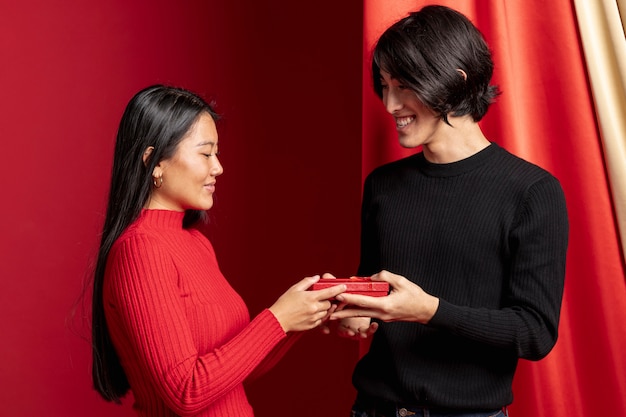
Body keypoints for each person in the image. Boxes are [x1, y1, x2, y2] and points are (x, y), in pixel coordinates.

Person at [327, 5, 569, 417]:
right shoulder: (382, 185)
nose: (389, 105)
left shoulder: (532, 192)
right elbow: (381, 293)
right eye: (384, 86)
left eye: (403, 86)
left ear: (454, 84)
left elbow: (534, 333)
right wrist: (354, 308)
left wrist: (429, 311)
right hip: (373, 408)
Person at [90, 85, 346, 417]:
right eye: (205, 153)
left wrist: (301, 315)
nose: (218, 168)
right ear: (153, 162)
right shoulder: (140, 250)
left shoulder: (196, 244)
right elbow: (186, 393)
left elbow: (233, 374)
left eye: (217, 153)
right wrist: (278, 318)